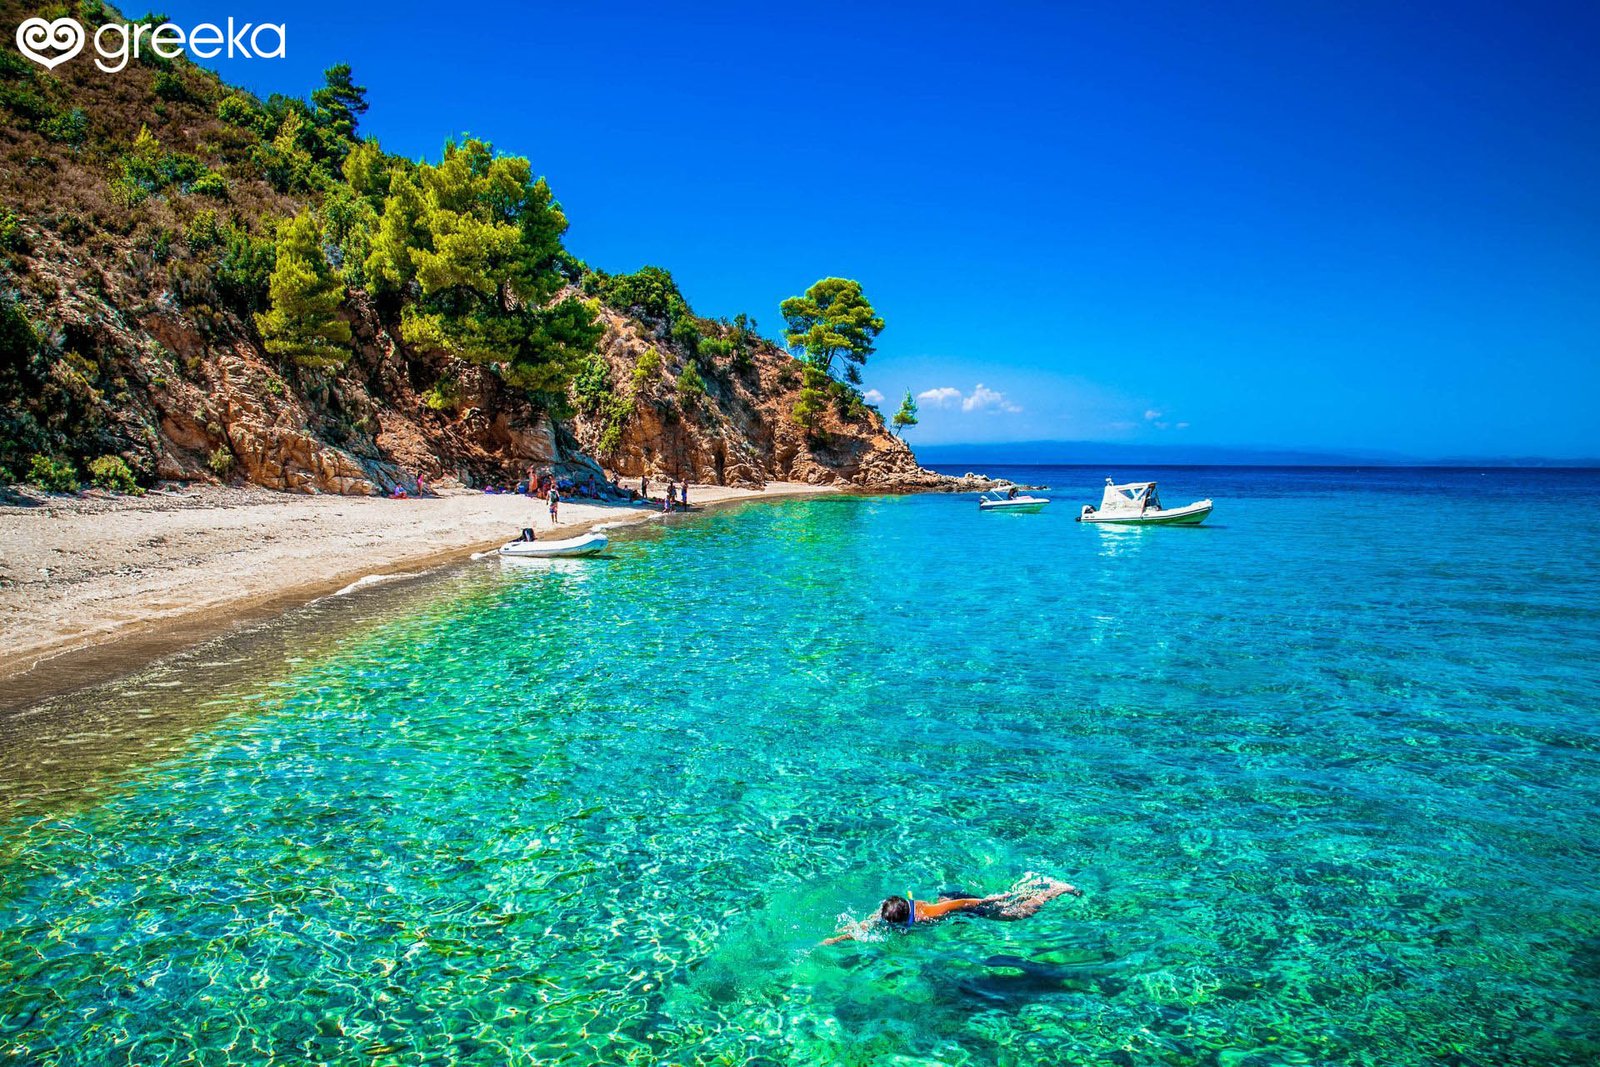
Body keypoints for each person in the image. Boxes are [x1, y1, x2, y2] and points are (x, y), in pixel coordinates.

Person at [822, 878, 1082, 945]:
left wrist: (988, 900)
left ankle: (1054, 890)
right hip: (948, 900)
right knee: (1007, 908)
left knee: (1015, 914)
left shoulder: (928, 914)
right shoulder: (888, 910)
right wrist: (837, 938)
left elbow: (960, 904)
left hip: (959, 905)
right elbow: (868, 925)